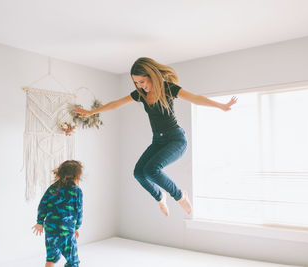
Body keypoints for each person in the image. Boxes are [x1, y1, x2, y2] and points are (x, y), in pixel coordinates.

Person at [73, 57, 236, 216]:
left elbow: (195, 98)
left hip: (176, 140)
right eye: (136, 82)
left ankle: (180, 196)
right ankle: (160, 197)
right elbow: (117, 103)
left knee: (151, 170)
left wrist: (220, 106)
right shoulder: (140, 94)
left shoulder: (168, 88)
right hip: (158, 141)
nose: (140, 86)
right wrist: (91, 112)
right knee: (138, 173)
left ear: (152, 76)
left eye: (142, 81)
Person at [32, 160, 83, 267]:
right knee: (73, 261)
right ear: (77, 176)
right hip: (66, 230)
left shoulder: (52, 188)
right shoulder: (76, 191)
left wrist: (40, 222)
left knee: (51, 257)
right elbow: (79, 211)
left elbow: (43, 205)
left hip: (50, 229)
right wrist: (76, 227)